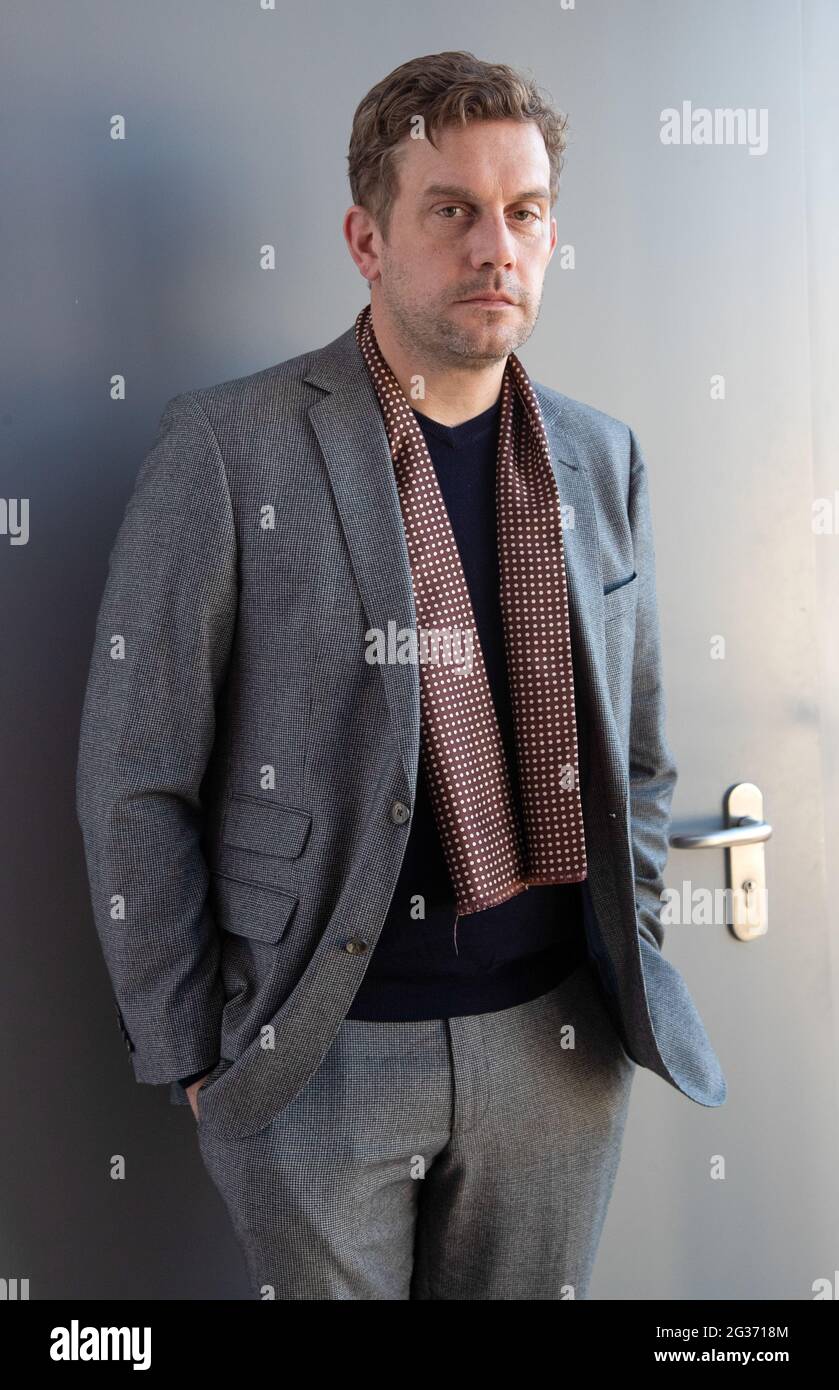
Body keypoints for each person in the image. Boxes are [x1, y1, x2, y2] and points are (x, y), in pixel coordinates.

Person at [75, 49, 726, 1301]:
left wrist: (630, 937)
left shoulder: (600, 455)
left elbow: (634, 756)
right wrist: (195, 1053)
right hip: (313, 1054)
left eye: (523, 213)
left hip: (555, 1042)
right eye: (451, 210)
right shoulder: (226, 449)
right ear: (366, 240)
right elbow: (132, 774)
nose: (496, 246)